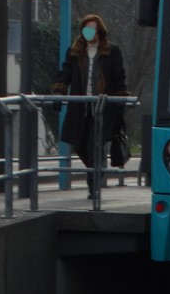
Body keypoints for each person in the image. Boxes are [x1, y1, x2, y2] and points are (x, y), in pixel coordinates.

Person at [52, 14, 129, 196]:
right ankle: (95, 174)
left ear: (99, 31)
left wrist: (120, 100)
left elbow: (119, 77)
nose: (89, 32)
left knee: (94, 146)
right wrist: (58, 91)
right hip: (81, 108)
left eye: (93, 29)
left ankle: (94, 188)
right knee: (79, 145)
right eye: (86, 29)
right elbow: (65, 73)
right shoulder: (75, 51)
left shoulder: (112, 51)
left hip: (102, 109)